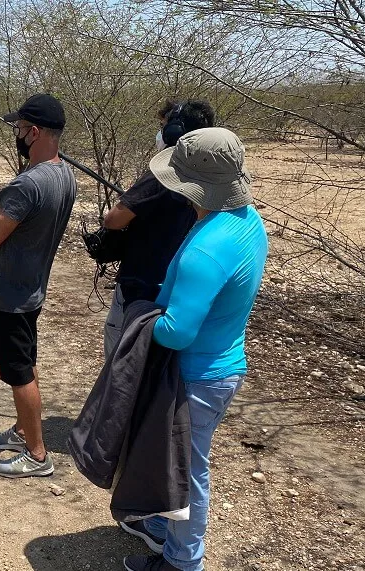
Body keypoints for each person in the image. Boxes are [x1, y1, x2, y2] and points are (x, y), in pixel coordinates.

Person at [120, 128, 267, 571]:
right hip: (220, 364)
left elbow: (178, 332)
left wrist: (142, 323)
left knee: (187, 470)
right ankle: (168, 532)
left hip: (196, 375)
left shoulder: (207, 247)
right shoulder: (246, 220)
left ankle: (183, 562)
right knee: (178, 463)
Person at [0, 93, 76, 478]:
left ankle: (37, 454)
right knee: (25, 362)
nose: (17, 133)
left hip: (8, 296)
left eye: (20, 128)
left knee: (18, 370)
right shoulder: (65, 176)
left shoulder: (26, 184)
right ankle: (25, 430)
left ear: (35, 131)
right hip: (30, 290)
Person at [101, 100, 216, 357]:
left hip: (141, 282)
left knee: (123, 355)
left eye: (163, 126)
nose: (160, 132)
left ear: (175, 132)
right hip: (179, 287)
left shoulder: (163, 173)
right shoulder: (210, 176)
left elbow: (114, 220)